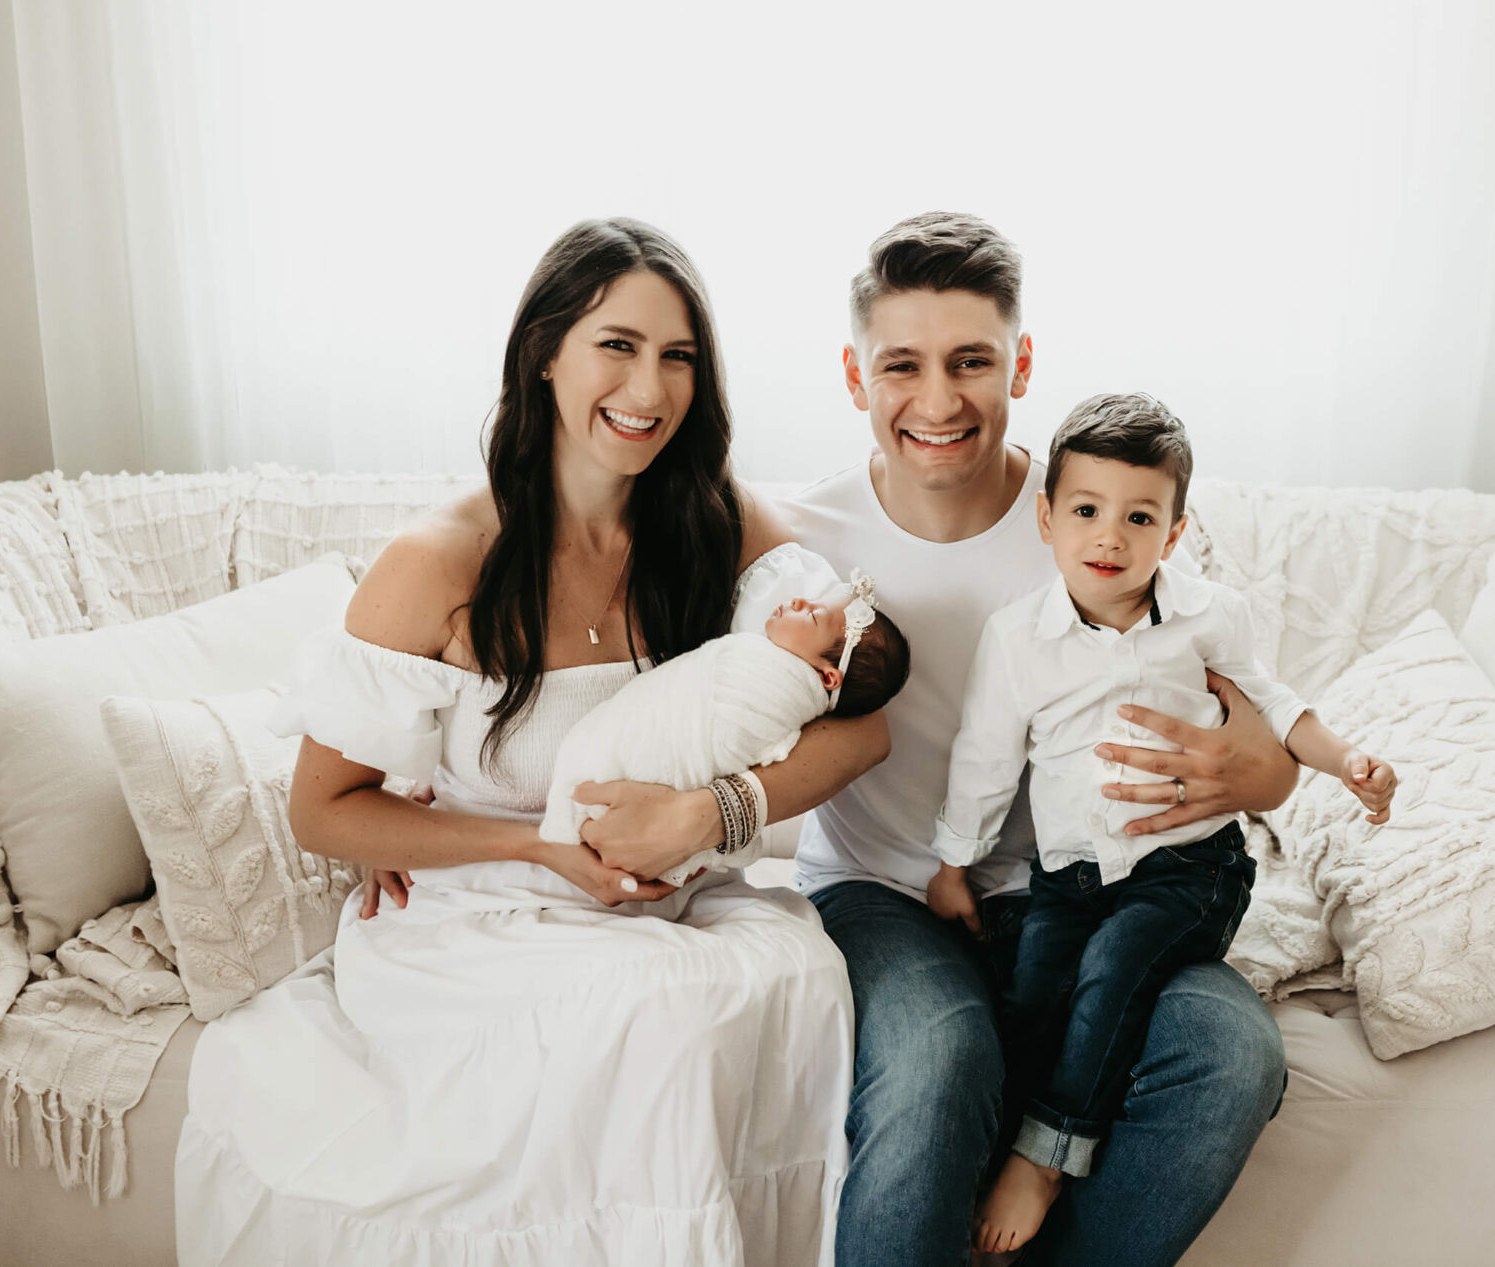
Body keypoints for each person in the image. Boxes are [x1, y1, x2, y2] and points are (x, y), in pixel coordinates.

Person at [174, 218, 887, 1266]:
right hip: (490, 914)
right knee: (657, 1012)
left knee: (794, 976)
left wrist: (710, 812)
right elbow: (322, 808)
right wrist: (538, 848)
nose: (648, 387)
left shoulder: (714, 523)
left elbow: (863, 724)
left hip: (670, 894)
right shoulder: (440, 562)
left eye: (678, 356)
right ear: (545, 351)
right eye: (617, 345)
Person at [785, 211, 1305, 1267]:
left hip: (1094, 891)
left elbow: (1253, 726)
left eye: (971, 361)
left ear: (1020, 364)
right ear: (853, 375)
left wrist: (1265, 776)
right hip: (886, 893)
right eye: (902, 365)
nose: (939, 401)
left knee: (1232, 1053)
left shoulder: (1095, 516)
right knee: (942, 1058)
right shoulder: (806, 537)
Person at [926, 394, 1397, 1254]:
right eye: (1086, 511)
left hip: (1189, 868)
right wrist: (954, 863)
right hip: (1069, 875)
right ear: (1047, 519)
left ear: (1173, 534)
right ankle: (998, 1177)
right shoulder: (1017, 638)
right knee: (1032, 993)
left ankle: (1047, 1154)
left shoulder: (1209, 617)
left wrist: (1346, 760)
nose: (1109, 536)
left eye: (1139, 517)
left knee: (1114, 966)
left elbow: (1276, 705)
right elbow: (984, 758)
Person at [530, 576, 909, 899]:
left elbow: (731, 737)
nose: (797, 600)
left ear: (827, 677)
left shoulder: (779, 690)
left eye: (812, 614)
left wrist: (702, 816)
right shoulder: (761, 658)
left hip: (638, 799)